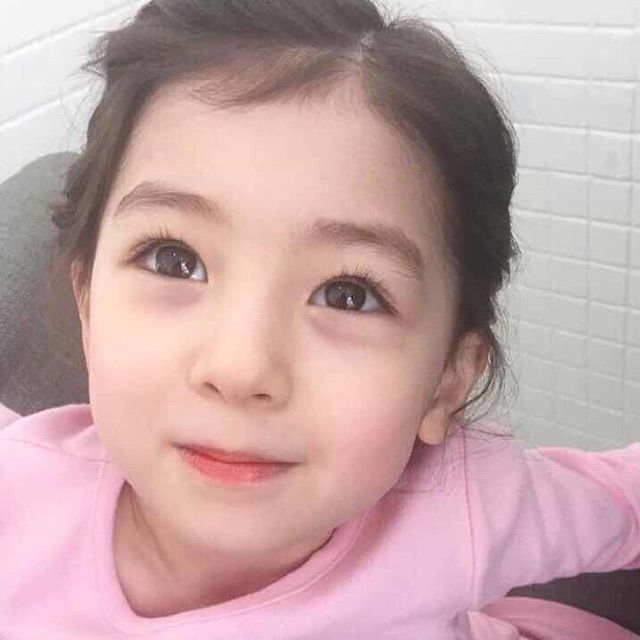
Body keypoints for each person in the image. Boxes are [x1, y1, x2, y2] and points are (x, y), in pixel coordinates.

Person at [1, 1, 639, 638]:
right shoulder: (19, 500)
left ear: (447, 378)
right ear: (88, 303)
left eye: (347, 295)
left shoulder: (469, 505)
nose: (240, 369)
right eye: (174, 260)